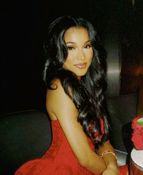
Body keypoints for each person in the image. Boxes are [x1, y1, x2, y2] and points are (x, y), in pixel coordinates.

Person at [15, 15, 128, 175]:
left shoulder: (86, 84)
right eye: (71, 48)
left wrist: (112, 166)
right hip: (64, 170)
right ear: (58, 52)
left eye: (87, 46)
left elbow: (102, 141)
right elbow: (85, 159)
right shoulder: (59, 88)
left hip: (94, 166)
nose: (81, 57)